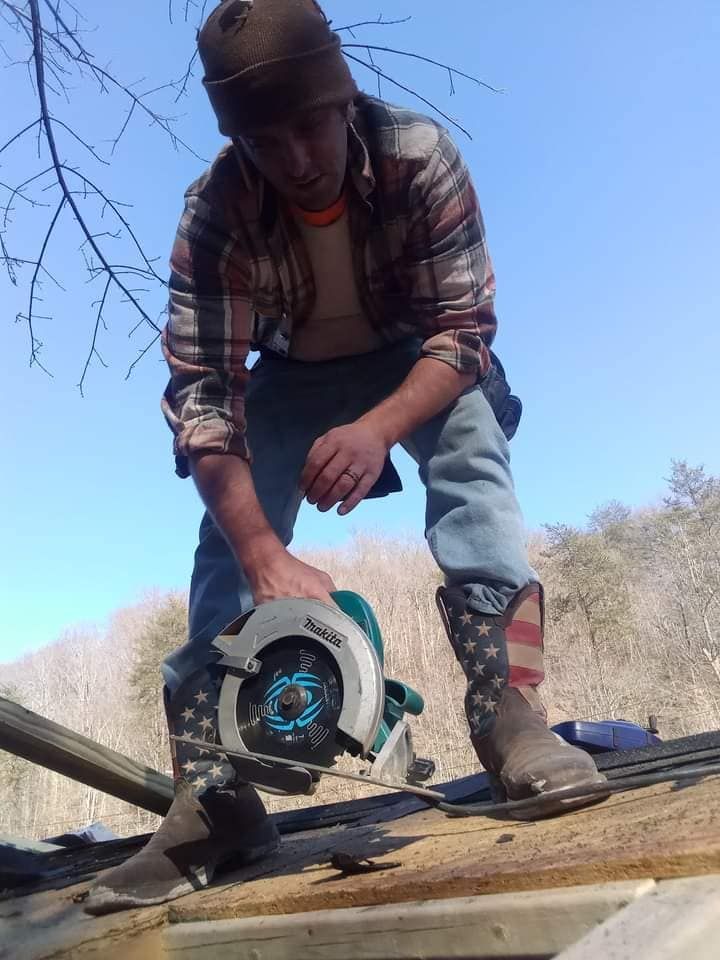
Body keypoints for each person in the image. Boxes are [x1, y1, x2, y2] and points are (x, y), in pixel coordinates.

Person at [85, 0, 604, 916]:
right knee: (225, 536)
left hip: (415, 357)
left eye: (308, 125)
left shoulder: (420, 156)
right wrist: (261, 553)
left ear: (344, 97)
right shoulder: (213, 215)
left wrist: (374, 431)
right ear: (233, 136)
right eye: (261, 139)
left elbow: (464, 332)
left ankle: (509, 713)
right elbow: (205, 397)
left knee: (472, 444)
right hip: (290, 374)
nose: (292, 159)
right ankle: (217, 792)